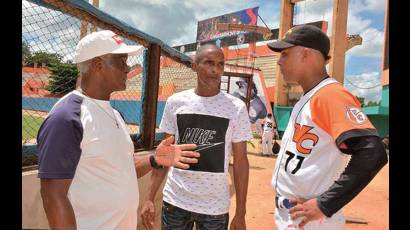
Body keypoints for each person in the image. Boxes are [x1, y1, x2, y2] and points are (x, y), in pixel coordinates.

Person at [36, 30, 200, 230]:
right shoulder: (67, 117)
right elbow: (53, 195)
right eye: (121, 61)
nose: (128, 67)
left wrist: (154, 159)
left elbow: (121, 167)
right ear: (98, 65)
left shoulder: (115, 115)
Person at [266, 25, 388, 229]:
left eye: (286, 53)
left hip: (312, 220)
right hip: (296, 215)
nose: (279, 61)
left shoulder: (329, 94)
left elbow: (372, 153)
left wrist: (326, 203)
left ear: (306, 54)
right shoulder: (311, 96)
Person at [140, 44, 252, 230]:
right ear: (194, 65)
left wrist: (241, 213)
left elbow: (241, 162)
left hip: (214, 207)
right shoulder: (176, 102)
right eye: (209, 63)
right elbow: (165, 154)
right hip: (175, 201)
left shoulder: (236, 107)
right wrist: (149, 198)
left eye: (220, 64)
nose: (215, 70)